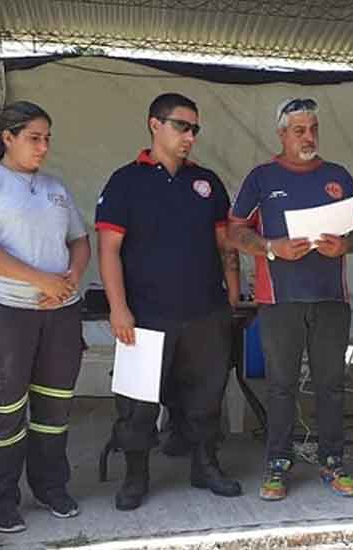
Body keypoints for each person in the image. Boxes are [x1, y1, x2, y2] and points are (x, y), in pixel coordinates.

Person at [95, 92, 242, 511]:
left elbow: (223, 242)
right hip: (145, 314)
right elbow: (108, 249)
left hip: (205, 311)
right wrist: (118, 307)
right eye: (181, 126)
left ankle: (206, 465)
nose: (190, 136)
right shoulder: (126, 181)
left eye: (195, 128)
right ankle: (136, 476)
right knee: (138, 403)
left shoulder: (207, 181)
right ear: (154, 125)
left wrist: (233, 288)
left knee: (206, 396)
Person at [229, 97, 353, 501]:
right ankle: (277, 465)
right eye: (298, 130)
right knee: (281, 385)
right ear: (281, 134)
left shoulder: (337, 175)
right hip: (279, 300)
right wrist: (271, 248)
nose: (308, 137)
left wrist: (343, 244)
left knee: (331, 384)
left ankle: (333, 461)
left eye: (313, 129)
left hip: (331, 298)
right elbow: (234, 230)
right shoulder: (261, 177)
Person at [0, 101, 90, 533]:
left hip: (59, 314)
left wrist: (68, 279)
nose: (44, 147)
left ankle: (52, 488)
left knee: (54, 408)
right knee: (3, 412)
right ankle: (0, 499)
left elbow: (80, 241)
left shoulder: (56, 188)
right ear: (7, 138)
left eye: (48, 138)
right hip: (4, 313)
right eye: (34, 137)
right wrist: (41, 281)